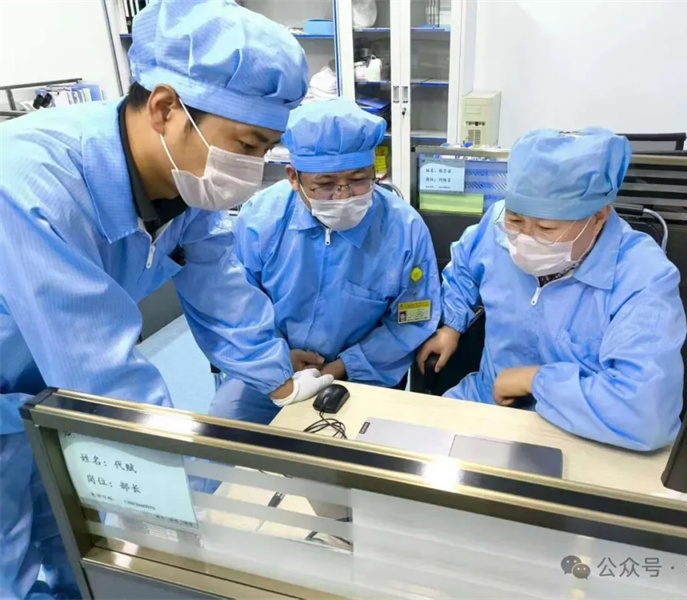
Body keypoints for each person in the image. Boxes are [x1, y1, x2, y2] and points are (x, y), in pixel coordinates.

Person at [0, 1, 331, 598]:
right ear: (165, 108)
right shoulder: (32, 182)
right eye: (247, 143)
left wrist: (280, 382)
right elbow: (101, 372)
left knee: (74, 537)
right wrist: (179, 498)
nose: (252, 168)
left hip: (48, 389)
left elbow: (221, 289)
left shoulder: (182, 182)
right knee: (11, 558)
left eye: (266, 149)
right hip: (32, 380)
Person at [417, 128, 686, 451]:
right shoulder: (497, 225)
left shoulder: (642, 277)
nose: (525, 238)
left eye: (546, 228)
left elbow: (645, 413)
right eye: (516, 221)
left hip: (580, 431)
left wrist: (534, 380)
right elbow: (463, 267)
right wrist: (452, 324)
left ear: (599, 216)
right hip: (486, 403)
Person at [209, 98, 441, 425]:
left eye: (358, 180)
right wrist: (277, 358)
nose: (343, 196)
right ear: (294, 178)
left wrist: (342, 367)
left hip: (361, 373)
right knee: (222, 432)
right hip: (271, 364)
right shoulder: (261, 220)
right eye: (325, 185)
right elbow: (238, 304)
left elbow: (411, 320)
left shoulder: (404, 230)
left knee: (355, 451)